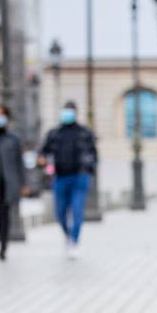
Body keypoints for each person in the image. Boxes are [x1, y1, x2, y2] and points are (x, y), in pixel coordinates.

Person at [38, 101, 97, 258]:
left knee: (77, 210)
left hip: (79, 176)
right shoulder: (54, 133)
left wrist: (90, 170)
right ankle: (68, 235)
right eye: (65, 112)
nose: (67, 115)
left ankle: (74, 240)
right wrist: (42, 160)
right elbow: (43, 152)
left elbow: (93, 154)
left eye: (69, 112)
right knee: (60, 213)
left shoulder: (84, 133)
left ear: (75, 113)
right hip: (60, 177)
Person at [0, 104, 27, 261]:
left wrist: (24, 184)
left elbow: (20, 163)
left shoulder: (13, 139)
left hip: (6, 183)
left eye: (1, 114)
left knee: (3, 215)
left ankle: (3, 244)